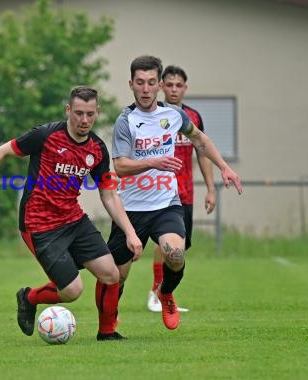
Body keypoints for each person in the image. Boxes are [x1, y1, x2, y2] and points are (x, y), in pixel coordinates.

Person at [0, 86, 143, 341]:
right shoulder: (46, 135)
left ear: (97, 113)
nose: (84, 120)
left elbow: (109, 194)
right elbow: (3, 151)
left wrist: (131, 233)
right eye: (78, 113)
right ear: (68, 110)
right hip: (39, 224)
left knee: (111, 274)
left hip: (73, 219)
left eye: (90, 114)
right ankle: (29, 297)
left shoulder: (97, 148)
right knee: (71, 291)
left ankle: (107, 333)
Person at [107, 55, 242, 330]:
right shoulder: (125, 121)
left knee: (176, 254)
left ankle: (165, 293)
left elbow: (201, 140)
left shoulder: (174, 115)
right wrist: (153, 162)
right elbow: (120, 167)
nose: (146, 89)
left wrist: (224, 167)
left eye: (151, 82)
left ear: (159, 85)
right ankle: (110, 315)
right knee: (116, 276)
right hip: (131, 208)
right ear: (131, 84)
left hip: (166, 204)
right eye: (140, 83)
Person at [146, 65, 216, 313]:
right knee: (165, 239)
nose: (174, 89)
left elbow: (203, 152)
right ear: (162, 86)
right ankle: (155, 292)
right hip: (158, 192)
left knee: (180, 248)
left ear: (185, 88)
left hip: (185, 192)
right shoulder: (153, 115)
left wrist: (210, 188)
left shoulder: (192, 119)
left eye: (179, 85)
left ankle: (163, 292)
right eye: (170, 84)